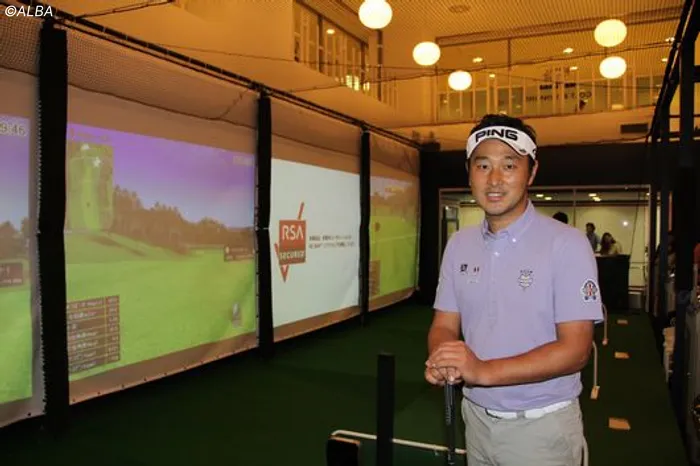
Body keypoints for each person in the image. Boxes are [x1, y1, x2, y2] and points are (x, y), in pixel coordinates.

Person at [425, 114, 603, 466]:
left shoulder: (567, 244)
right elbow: (444, 324)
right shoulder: (459, 244)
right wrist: (443, 359)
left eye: (509, 165)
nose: (494, 179)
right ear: (469, 172)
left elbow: (576, 349)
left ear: (531, 172)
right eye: (483, 165)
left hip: (542, 430)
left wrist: (482, 371)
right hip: (475, 420)